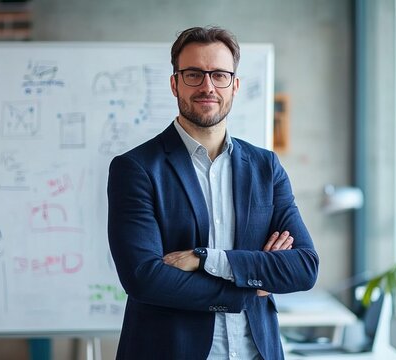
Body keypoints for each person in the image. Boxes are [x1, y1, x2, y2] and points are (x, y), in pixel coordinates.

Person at [107, 26, 318, 360]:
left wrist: (207, 259)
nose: (207, 86)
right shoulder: (136, 168)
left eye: (219, 75)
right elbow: (144, 278)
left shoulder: (266, 167)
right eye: (193, 74)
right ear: (174, 83)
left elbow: (304, 267)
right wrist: (250, 285)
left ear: (234, 86)